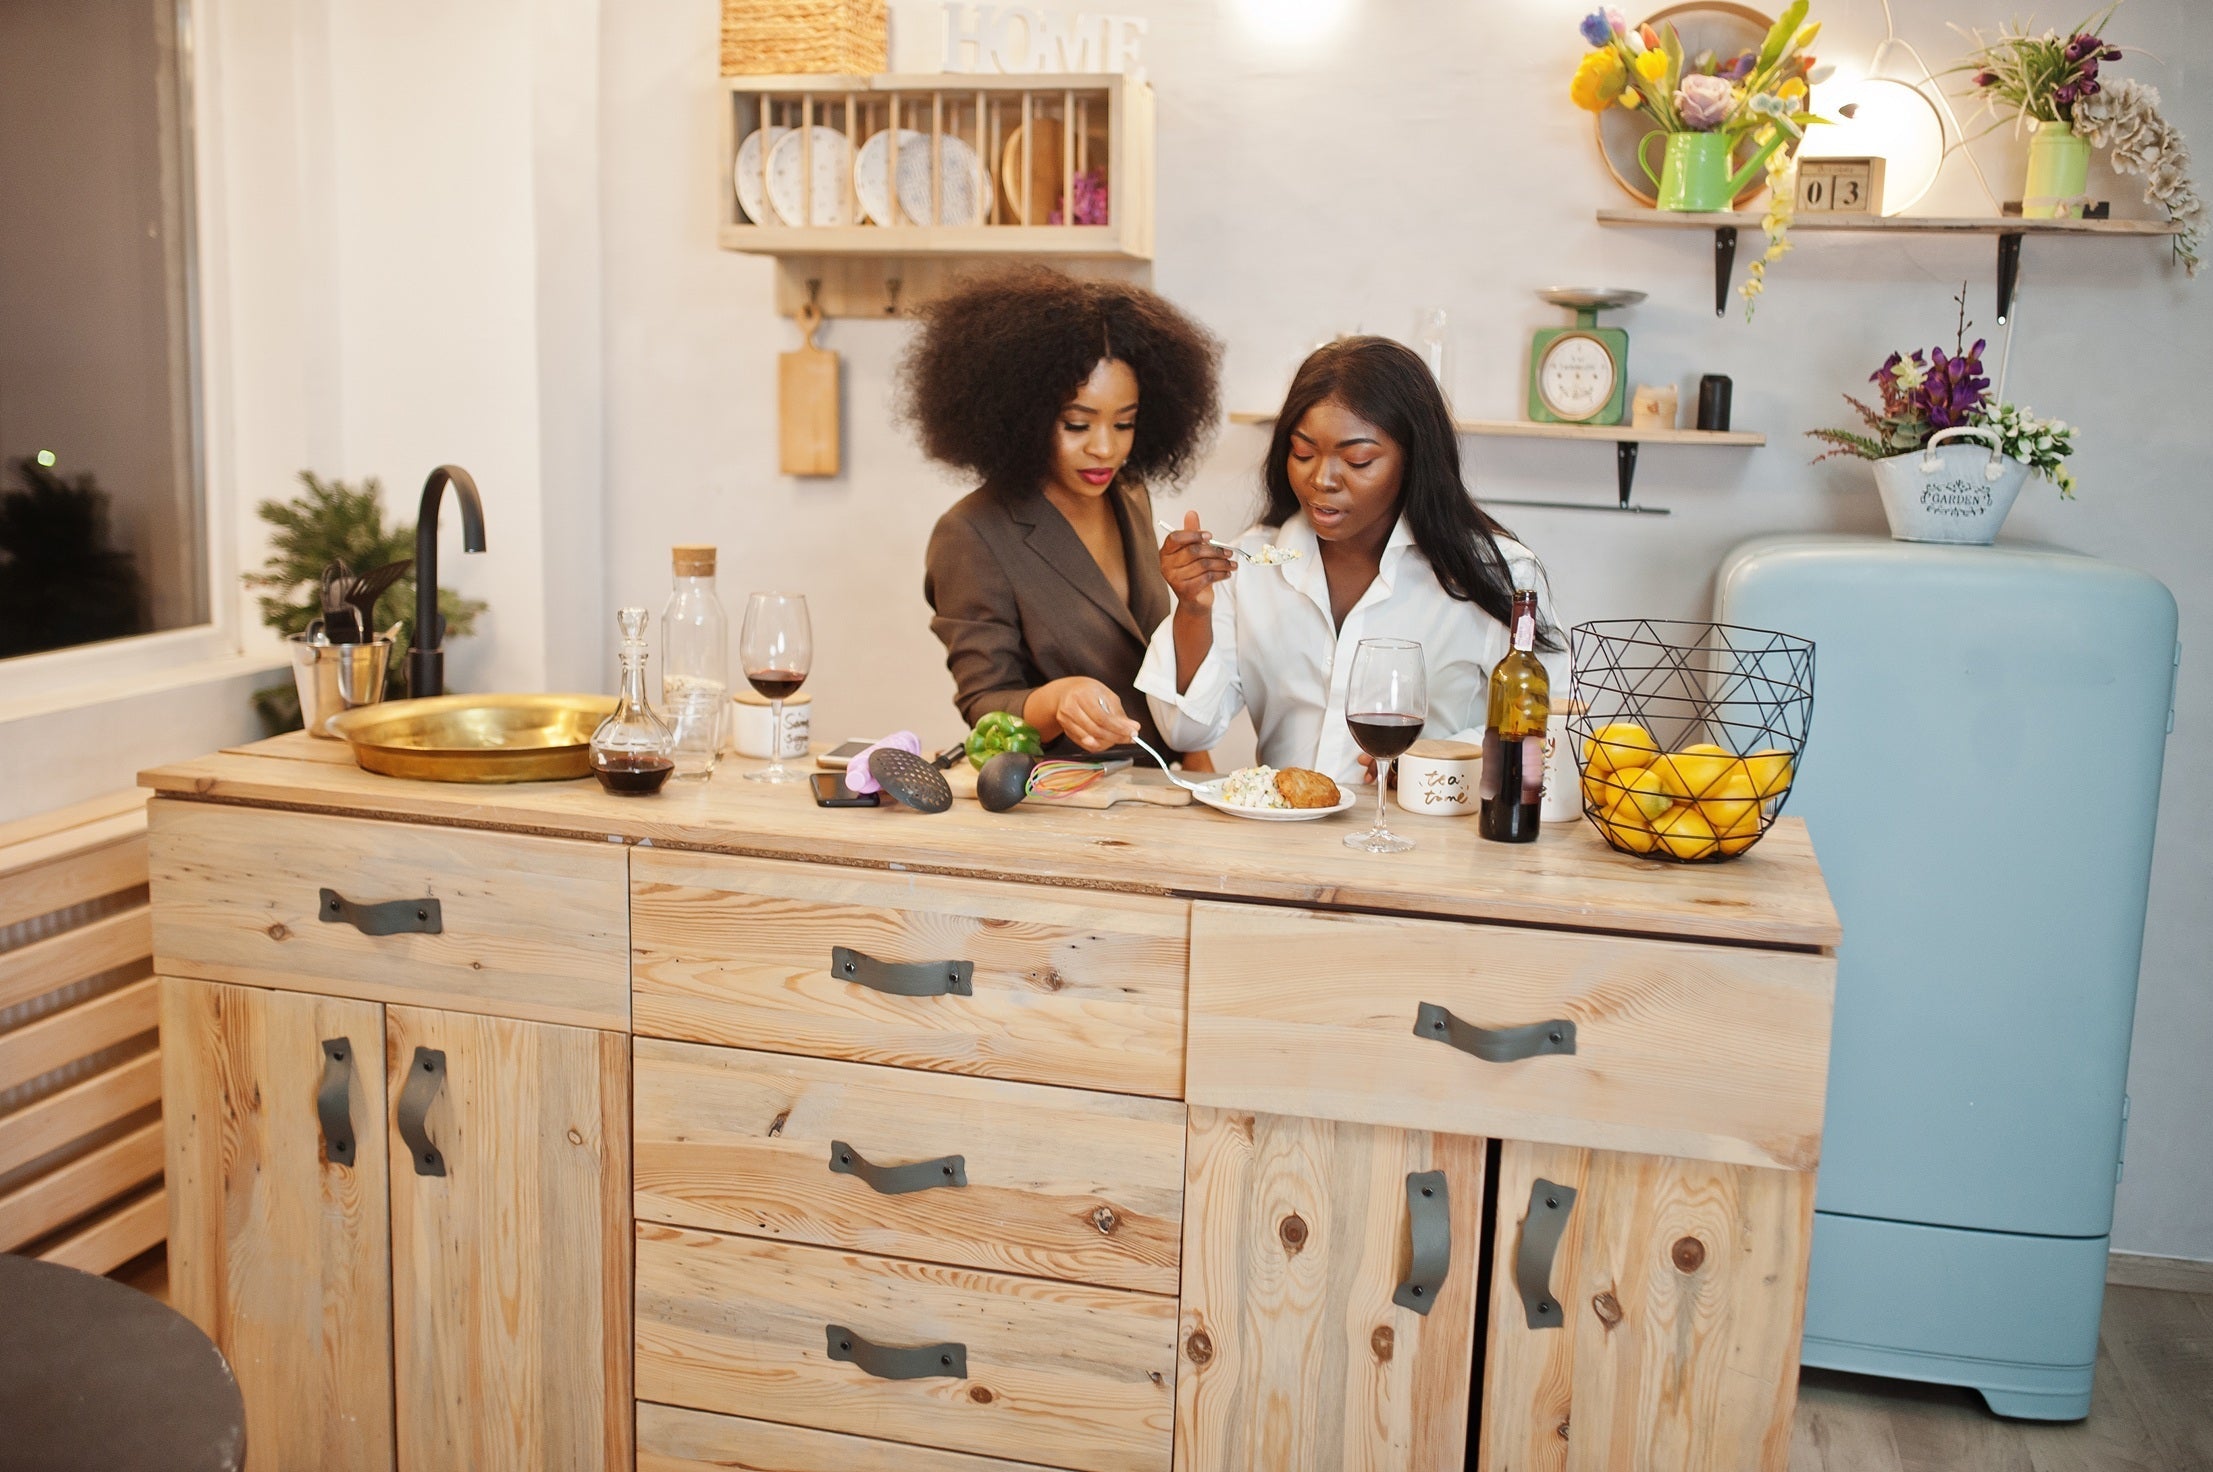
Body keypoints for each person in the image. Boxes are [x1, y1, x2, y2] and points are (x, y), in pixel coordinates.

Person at [1137, 336, 1562, 784]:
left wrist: (1438, 759)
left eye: (1358, 461)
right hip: (1285, 838)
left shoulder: (1500, 575)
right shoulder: (1251, 567)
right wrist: (1192, 610)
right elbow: (1186, 730)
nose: (1321, 479)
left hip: (1431, 839)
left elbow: (1550, 728)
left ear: (1414, 460)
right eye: (1303, 453)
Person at [910, 266, 1223, 759]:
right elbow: (983, 703)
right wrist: (1056, 700)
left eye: (1125, 423)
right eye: (1077, 424)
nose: (1105, 449)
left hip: (1165, 788)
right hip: (1067, 802)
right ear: (1024, 416)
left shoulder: (1130, 495)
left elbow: (1152, 662)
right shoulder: (971, 533)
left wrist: (1195, 753)